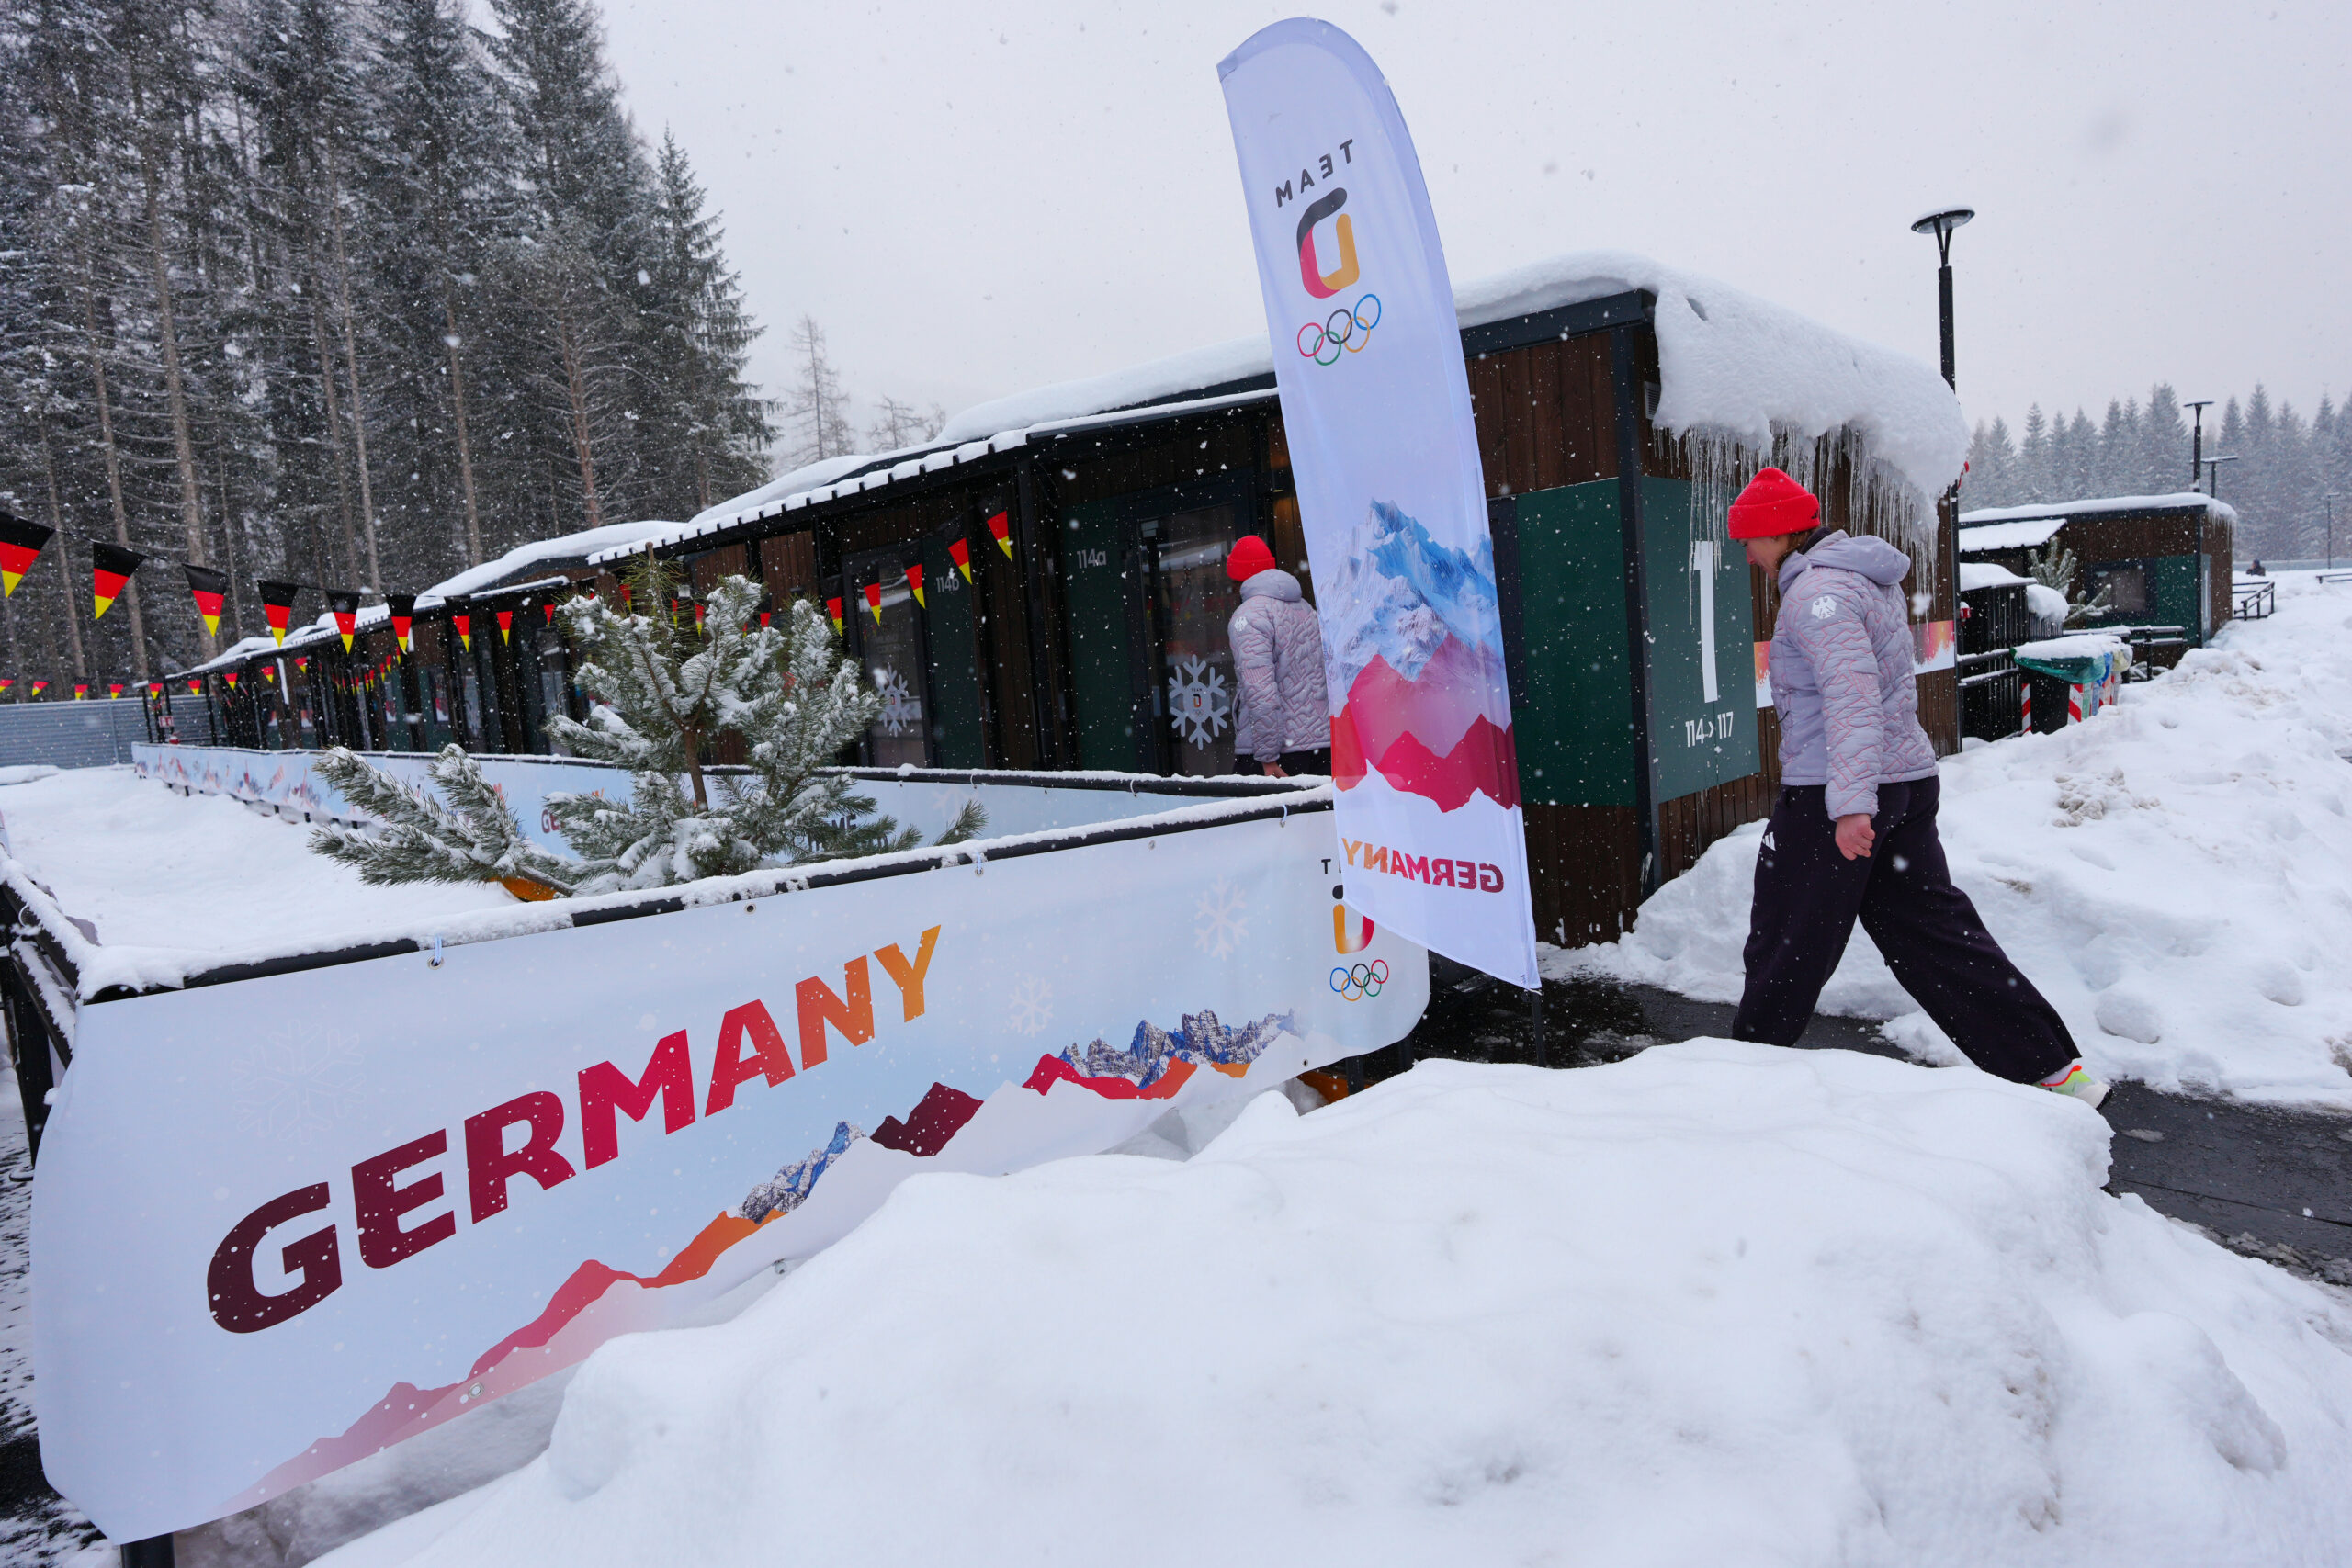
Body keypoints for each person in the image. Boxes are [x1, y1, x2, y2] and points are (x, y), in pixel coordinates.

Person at [1726, 468, 2108, 1108]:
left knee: (1786, 939)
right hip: (1901, 785)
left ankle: (1736, 1079)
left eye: (1751, 540)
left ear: (1778, 533)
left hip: (1838, 797)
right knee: (1938, 939)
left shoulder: (1816, 596)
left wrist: (1849, 807)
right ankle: (2049, 1066)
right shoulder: (1861, 581)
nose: (1747, 554)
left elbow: (1852, 701)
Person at [1224, 535, 1330, 777]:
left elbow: (1260, 690)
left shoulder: (1247, 616)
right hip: (1320, 748)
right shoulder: (1306, 608)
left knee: (1255, 816)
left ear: (1237, 577)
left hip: (1278, 755)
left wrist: (1267, 757)